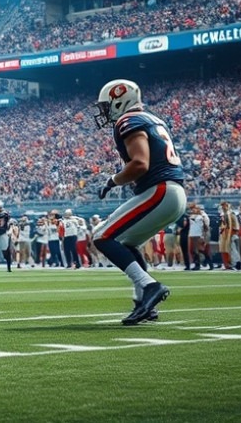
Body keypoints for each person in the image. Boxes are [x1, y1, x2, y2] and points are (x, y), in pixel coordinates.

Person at [92, 79, 186, 325]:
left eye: (106, 106)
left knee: (101, 236)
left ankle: (149, 286)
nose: (104, 112)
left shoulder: (128, 120)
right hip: (172, 192)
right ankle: (144, 303)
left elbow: (140, 163)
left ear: (119, 99)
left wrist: (112, 181)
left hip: (160, 189)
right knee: (126, 242)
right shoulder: (152, 119)